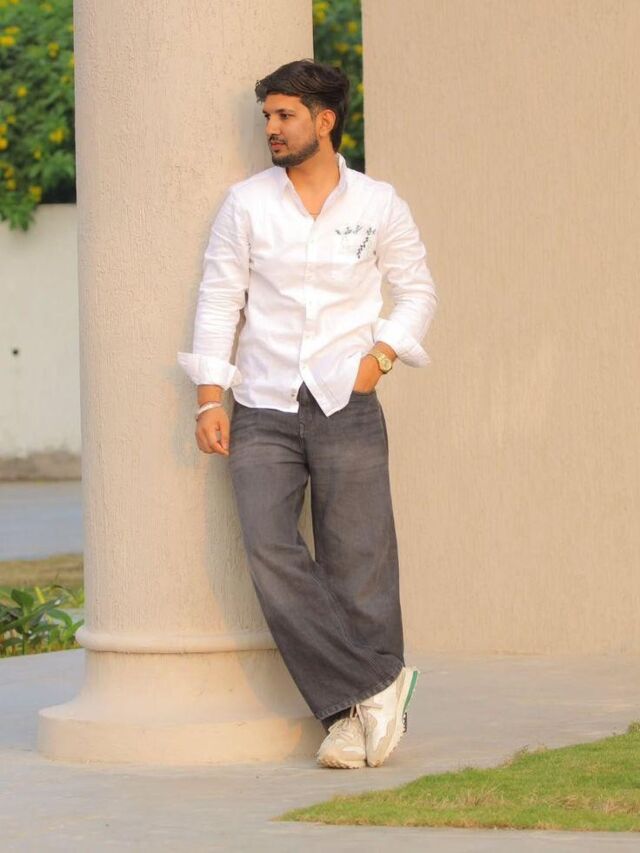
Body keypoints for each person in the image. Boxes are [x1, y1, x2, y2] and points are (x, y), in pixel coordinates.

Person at [177, 58, 438, 769]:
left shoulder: (378, 203)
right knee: (270, 551)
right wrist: (209, 395)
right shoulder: (246, 205)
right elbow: (219, 299)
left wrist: (379, 358)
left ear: (324, 121)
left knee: (361, 563)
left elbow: (417, 289)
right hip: (261, 405)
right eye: (267, 116)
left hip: (346, 400)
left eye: (285, 115)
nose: (272, 127)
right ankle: (375, 687)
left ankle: (352, 721)